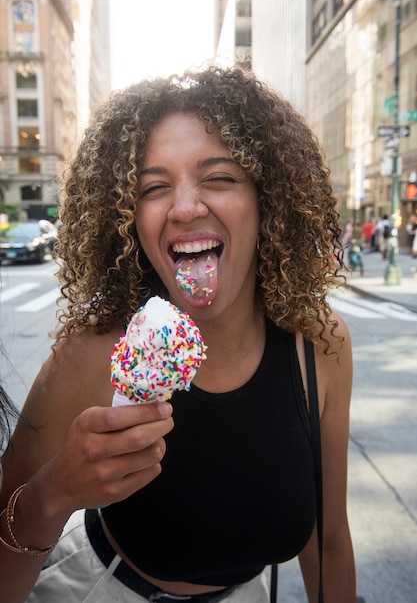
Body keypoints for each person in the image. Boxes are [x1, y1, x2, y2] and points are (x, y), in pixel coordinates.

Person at [0, 66, 356, 603]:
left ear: (269, 202)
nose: (185, 207)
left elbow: (327, 541)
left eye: (219, 178)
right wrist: (52, 494)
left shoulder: (318, 345)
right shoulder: (93, 355)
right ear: (129, 218)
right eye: (153, 188)